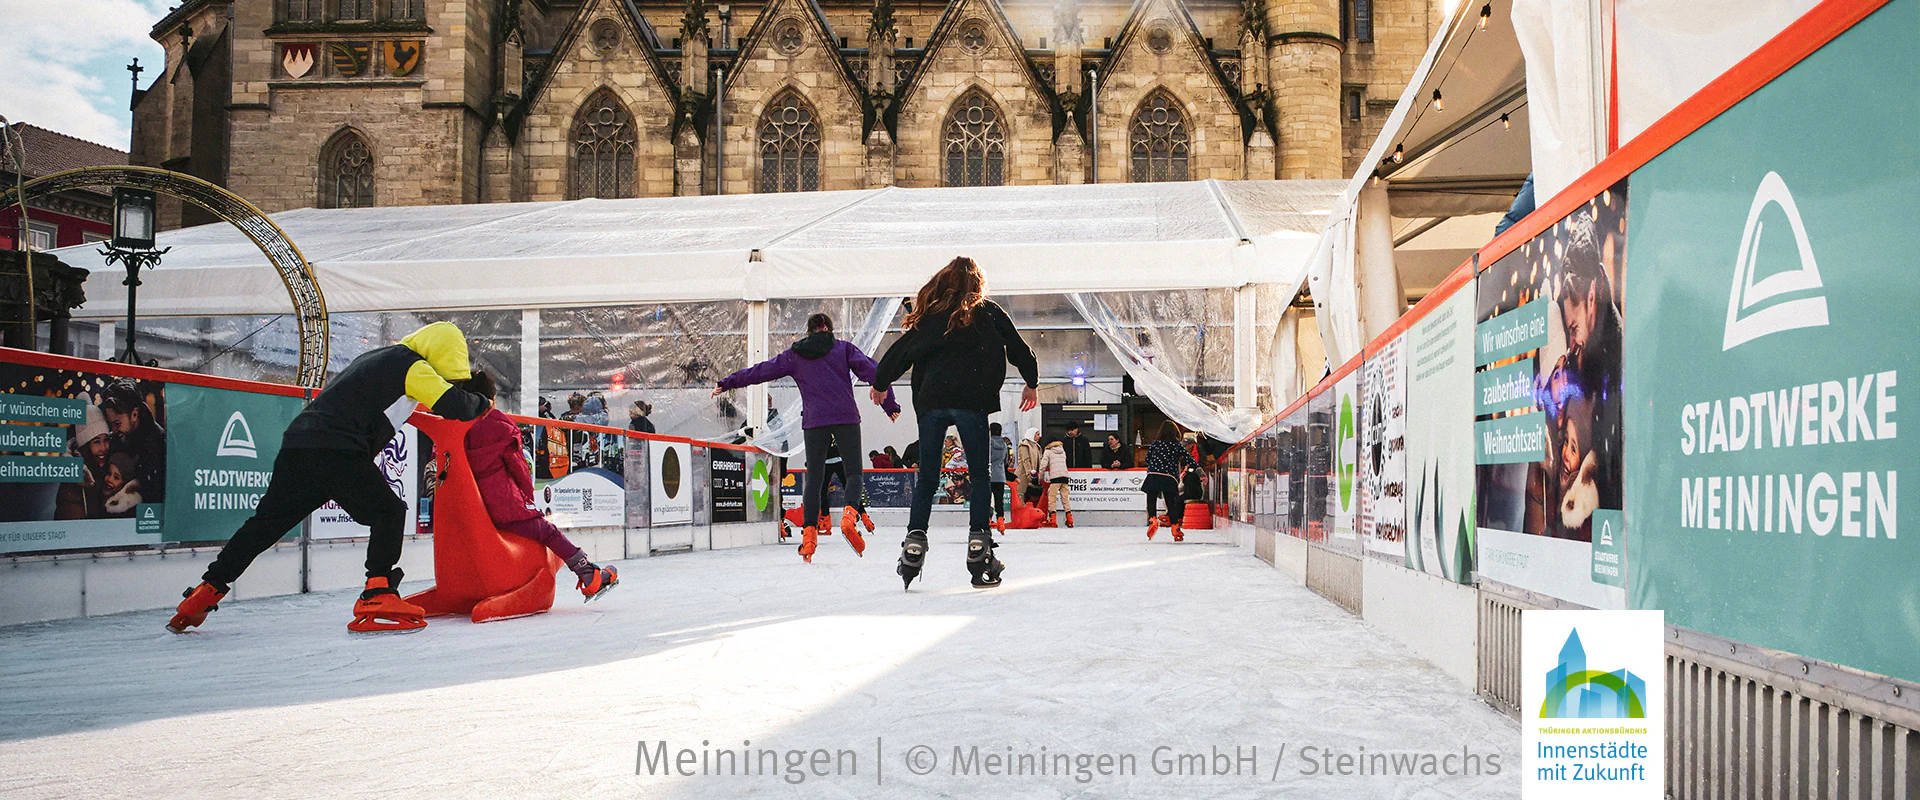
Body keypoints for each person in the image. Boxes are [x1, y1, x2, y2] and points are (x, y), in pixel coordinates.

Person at [168, 321, 491, 635]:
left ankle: (206, 591)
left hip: (299, 443)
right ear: (440, 356)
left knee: (266, 524)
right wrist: (483, 403)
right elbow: (455, 406)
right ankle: (378, 591)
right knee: (388, 511)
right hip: (337, 448)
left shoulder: (375, 358)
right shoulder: (412, 367)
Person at [872, 256, 1038, 589]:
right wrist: (1031, 382)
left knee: (927, 477)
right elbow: (1019, 347)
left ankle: (914, 544)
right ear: (977, 284)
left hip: (932, 401)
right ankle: (978, 545)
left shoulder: (932, 316)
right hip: (971, 402)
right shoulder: (989, 312)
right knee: (979, 475)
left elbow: (901, 351)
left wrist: (880, 382)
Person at [716, 312, 899, 562]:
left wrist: (728, 382)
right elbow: (874, 371)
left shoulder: (795, 355)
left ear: (809, 331)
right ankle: (849, 518)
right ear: (829, 329)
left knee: (814, 479)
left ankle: (809, 539)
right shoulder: (843, 349)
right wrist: (890, 404)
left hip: (814, 421)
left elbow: (760, 371)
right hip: (845, 418)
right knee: (854, 474)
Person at [460, 371, 618, 600]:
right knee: (548, 531)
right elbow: (519, 468)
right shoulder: (501, 426)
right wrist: (527, 501)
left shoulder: (458, 427)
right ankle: (588, 574)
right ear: (491, 399)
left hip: (472, 509)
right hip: (504, 507)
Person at [1142, 421, 1198, 541]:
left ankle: (1152, 519)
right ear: (1175, 432)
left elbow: (1147, 458)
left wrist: (1156, 463)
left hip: (1153, 475)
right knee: (1171, 504)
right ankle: (1175, 528)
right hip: (1169, 477)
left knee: (1151, 500)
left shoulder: (1155, 444)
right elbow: (1190, 459)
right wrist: (1199, 472)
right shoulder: (1177, 445)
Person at [1039, 437, 1073, 527]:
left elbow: (1043, 466)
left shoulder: (1048, 451)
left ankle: (1052, 519)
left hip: (1055, 478)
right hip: (1065, 477)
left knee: (1052, 498)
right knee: (1065, 499)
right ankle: (1070, 519)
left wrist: (1040, 478)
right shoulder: (1062, 450)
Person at [986, 422, 1011, 530]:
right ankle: (1001, 520)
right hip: (1000, 476)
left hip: (989, 474)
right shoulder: (1004, 444)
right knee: (999, 500)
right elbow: (1006, 461)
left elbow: (985, 458)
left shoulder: (988, 443)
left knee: (987, 499)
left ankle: (987, 519)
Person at [1014, 428, 1042, 507]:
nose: (1039, 436)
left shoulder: (1036, 446)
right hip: (1023, 475)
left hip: (1033, 476)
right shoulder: (1024, 445)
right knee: (1021, 494)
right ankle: (1021, 512)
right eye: (1037, 434)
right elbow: (1026, 460)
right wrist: (1029, 474)